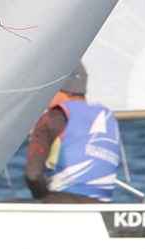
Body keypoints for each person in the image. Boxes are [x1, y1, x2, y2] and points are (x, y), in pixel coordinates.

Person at [25, 63, 121, 203]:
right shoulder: (108, 117)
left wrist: (43, 199)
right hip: (102, 205)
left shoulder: (54, 117)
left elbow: (33, 175)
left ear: (57, 87)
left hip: (61, 203)